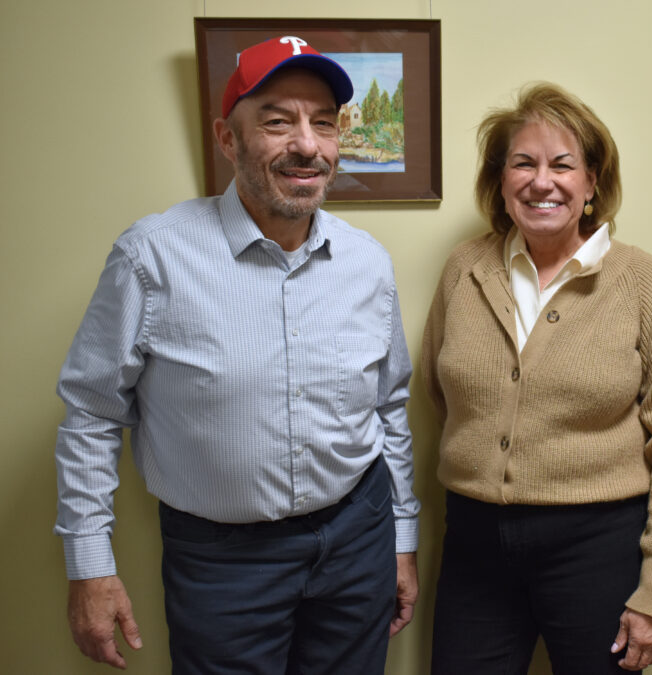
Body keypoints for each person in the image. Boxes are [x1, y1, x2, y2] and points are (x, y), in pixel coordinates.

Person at [54, 36, 419, 673]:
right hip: (222, 562)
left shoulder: (368, 263)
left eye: (324, 124)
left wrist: (401, 540)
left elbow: (389, 409)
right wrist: (89, 567)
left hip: (359, 540)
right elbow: (90, 414)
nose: (307, 144)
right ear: (228, 138)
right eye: (277, 122)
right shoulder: (152, 258)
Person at [421, 82, 652, 674]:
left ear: (592, 182)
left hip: (597, 546)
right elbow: (437, 389)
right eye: (522, 163)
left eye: (562, 164)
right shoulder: (463, 271)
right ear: (500, 181)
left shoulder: (642, 282)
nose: (541, 181)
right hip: (474, 541)